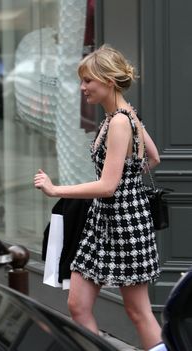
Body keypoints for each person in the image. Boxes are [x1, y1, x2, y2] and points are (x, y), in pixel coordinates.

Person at [34, 44, 167, 351]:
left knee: (138, 312)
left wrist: (56, 190)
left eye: (88, 81)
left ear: (108, 81)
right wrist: (131, 176)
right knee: (78, 305)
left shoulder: (120, 121)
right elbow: (154, 157)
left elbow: (108, 186)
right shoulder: (120, 115)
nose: (83, 88)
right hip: (105, 222)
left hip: (125, 225)